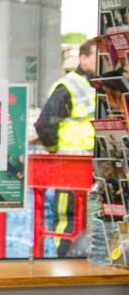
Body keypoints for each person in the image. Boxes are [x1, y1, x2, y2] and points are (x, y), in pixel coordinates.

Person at [35, 38, 97, 256]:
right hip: (70, 163)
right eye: (98, 57)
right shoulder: (68, 86)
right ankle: (62, 257)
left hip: (92, 163)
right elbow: (44, 124)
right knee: (67, 216)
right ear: (83, 58)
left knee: (91, 216)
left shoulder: (99, 85)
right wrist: (55, 152)